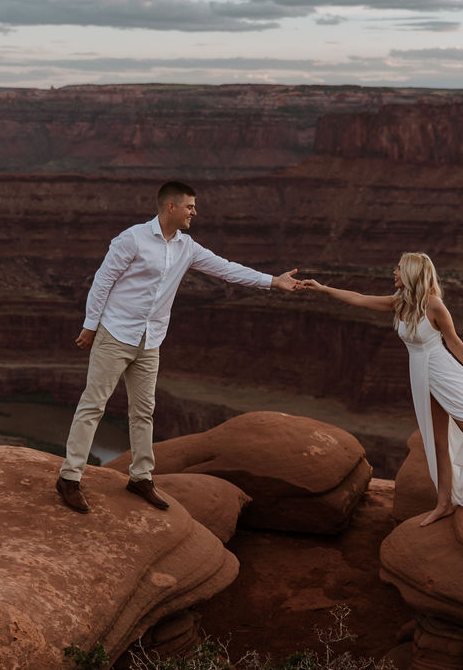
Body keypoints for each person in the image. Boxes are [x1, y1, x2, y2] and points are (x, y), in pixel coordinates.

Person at [56, 181, 301, 514]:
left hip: (150, 339)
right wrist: (90, 326)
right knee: (94, 405)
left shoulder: (187, 247)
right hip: (115, 334)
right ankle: (69, 478)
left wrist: (273, 281)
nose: (194, 213)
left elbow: (226, 269)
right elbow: (103, 281)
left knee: (143, 411)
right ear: (170, 207)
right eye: (190, 206)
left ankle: (141, 477)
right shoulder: (133, 239)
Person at [302, 252, 463, 526]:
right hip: (421, 375)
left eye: (398, 268)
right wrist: (324, 289)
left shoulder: (434, 306)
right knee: (437, 442)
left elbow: (453, 342)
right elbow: (359, 298)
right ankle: (444, 504)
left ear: (411, 272)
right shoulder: (400, 303)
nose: (394, 272)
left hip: (442, 372)